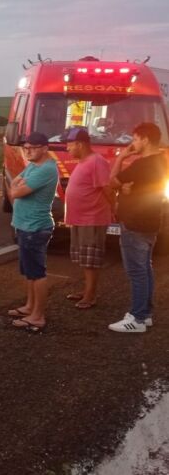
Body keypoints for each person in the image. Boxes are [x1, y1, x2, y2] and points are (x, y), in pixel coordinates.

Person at [107, 122, 167, 333]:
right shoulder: (160, 161)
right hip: (149, 223)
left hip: (135, 223)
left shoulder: (143, 164)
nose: (133, 143)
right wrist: (126, 188)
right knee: (146, 268)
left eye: (135, 139)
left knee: (137, 271)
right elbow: (129, 186)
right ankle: (146, 313)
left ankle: (138, 318)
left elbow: (112, 181)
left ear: (145, 139)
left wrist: (121, 158)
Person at [7, 131, 59, 333]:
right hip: (25, 225)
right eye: (26, 148)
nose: (27, 151)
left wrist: (16, 187)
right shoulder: (34, 166)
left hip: (35, 227)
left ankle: (37, 316)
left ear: (45, 148)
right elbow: (14, 183)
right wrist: (16, 186)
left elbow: (16, 190)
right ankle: (30, 306)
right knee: (29, 271)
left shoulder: (45, 169)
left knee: (37, 273)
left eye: (32, 148)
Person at [63, 127, 113, 309]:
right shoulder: (83, 161)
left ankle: (90, 296)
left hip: (92, 218)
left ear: (80, 144)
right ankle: (86, 291)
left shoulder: (96, 161)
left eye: (69, 145)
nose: (67, 149)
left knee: (91, 260)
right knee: (84, 259)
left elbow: (106, 188)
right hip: (80, 218)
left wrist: (114, 209)